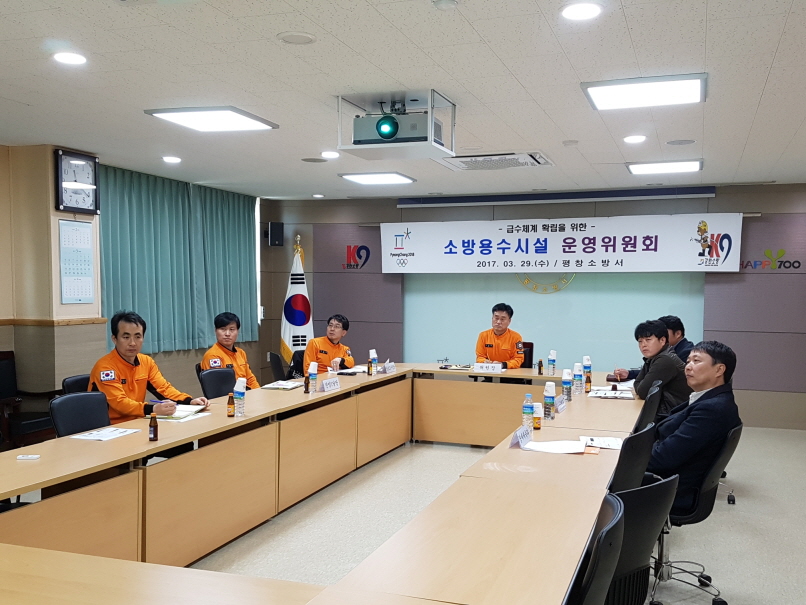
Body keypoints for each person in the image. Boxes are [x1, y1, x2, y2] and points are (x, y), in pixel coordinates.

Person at [647, 341, 742, 513]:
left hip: (670, 488)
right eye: (688, 361)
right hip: (671, 478)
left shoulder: (712, 410)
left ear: (719, 370)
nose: (688, 366)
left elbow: (662, 459)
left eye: (696, 361)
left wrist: (623, 457)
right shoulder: (710, 399)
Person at [89, 311, 209, 424]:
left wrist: (189, 401)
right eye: (126, 337)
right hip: (109, 426)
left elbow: (163, 389)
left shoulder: (146, 362)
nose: (132, 343)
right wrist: (153, 409)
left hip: (138, 421)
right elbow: (119, 403)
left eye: (137, 337)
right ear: (114, 339)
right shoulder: (105, 368)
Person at [629, 319, 691, 416]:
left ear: (662, 340)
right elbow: (638, 383)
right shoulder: (655, 356)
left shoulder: (665, 359)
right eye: (640, 341)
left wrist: (640, 386)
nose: (643, 345)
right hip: (668, 411)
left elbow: (643, 392)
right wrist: (640, 386)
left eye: (648, 340)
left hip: (672, 414)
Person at [200, 312, 260, 389]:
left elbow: (250, 379)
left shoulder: (241, 353)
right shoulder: (213, 356)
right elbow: (219, 386)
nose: (227, 334)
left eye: (232, 329)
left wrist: (258, 391)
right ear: (215, 331)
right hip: (230, 395)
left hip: (246, 392)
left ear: (237, 331)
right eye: (223, 329)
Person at [475, 303, 524, 369]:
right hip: (489, 372)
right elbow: (480, 357)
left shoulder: (516, 337)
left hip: (508, 372)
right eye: (496, 318)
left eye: (502, 319)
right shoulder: (483, 335)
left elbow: (518, 359)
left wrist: (503, 365)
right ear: (492, 318)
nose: (498, 322)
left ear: (509, 321)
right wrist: (484, 361)